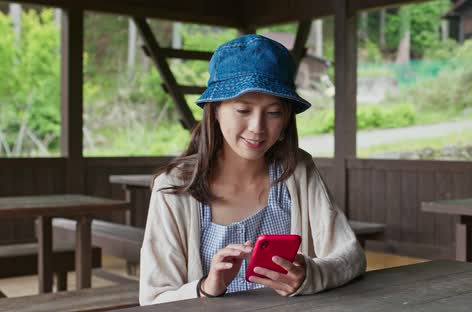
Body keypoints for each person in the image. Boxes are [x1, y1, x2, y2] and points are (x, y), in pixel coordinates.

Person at [139, 34, 366, 305]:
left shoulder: (298, 171)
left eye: (273, 113)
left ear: (286, 119)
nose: (257, 128)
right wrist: (205, 288)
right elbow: (154, 298)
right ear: (215, 111)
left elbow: (351, 256)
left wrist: (310, 275)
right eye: (243, 110)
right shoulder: (173, 187)